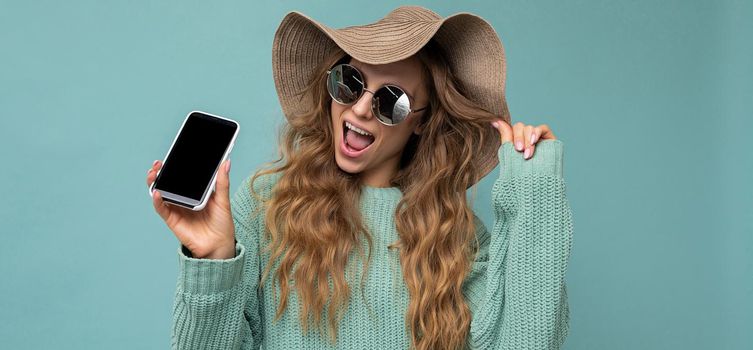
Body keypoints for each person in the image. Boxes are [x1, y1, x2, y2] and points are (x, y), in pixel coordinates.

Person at [146, 6, 573, 350]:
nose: (361, 109)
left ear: (421, 122)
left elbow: (528, 340)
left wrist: (535, 196)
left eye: (393, 102)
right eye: (350, 83)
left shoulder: (455, 236)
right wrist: (214, 261)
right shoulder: (267, 204)